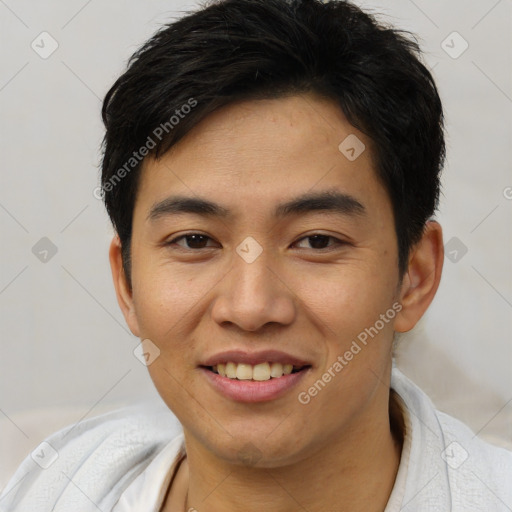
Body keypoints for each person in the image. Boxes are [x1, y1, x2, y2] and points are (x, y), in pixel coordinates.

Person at [1, 0, 511, 510]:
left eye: (316, 241)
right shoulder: (52, 487)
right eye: (195, 241)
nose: (250, 308)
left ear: (415, 276)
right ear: (127, 283)